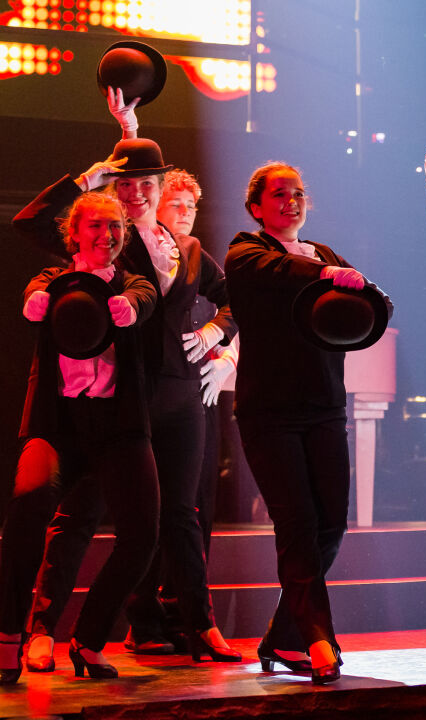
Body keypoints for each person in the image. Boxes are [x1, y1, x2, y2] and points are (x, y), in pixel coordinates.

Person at [12, 127, 240, 666]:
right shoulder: (109, 238)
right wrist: (101, 167)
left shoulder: (185, 247)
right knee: (79, 514)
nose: (136, 193)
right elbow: (37, 228)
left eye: (146, 183)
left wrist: (216, 338)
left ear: (161, 186)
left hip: (178, 394)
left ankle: (198, 624)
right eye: (125, 184)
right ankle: (43, 628)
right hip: (119, 397)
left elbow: (230, 301)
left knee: (177, 515)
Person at [225, 162, 392, 684]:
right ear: (257, 207)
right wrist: (326, 274)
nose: (291, 201)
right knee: (297, 525)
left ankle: (283, 637)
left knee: (331, 524)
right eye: (279, 194)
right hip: (269, 414)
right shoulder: (245, 251)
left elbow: (365, 296)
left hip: (324, 408)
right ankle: (319, 640)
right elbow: (278, 273)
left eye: (298, 193)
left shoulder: (323, 254)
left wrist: (370, 295)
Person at [0, 193, 159, 683]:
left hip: (117, 430)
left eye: (114, 227)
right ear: (74, 233)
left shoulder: (131, 282)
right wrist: (36, 303)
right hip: (58, 426)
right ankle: (9, 636)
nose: (106, 235)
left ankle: (89, 640)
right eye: (95, 226)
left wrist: (129, 305)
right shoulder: (53, 279)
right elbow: (34, 297)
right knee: (28, 504)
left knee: (143, 532)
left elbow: (144, 298)